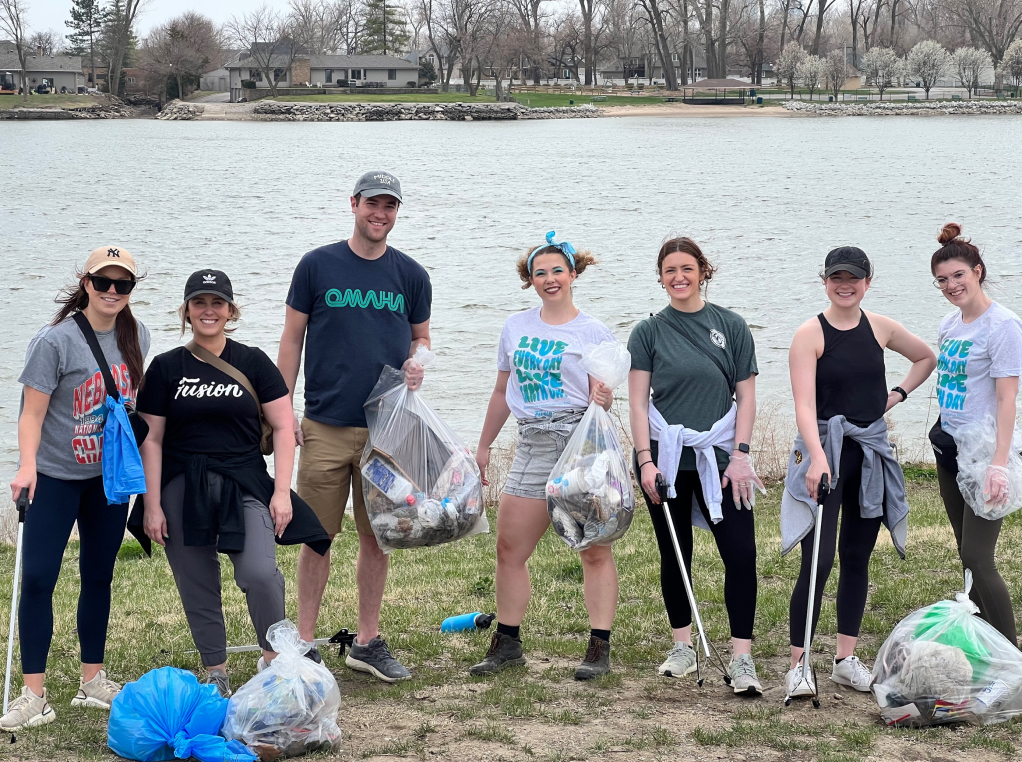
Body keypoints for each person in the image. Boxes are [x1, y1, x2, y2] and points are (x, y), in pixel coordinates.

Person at [134, 270, 330, 697]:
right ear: (186, 310)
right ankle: (216, 670)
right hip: (181, 484)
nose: (209, 311)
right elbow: (150, 438)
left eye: (217, 303)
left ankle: (274, 658)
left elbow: (282, 426)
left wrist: (281, 492)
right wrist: (151, 504)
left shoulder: (253, 361)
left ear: (230, 310)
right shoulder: (166, 367)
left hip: (244, 480)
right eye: (200, 303)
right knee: (195, 579)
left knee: (260, 572)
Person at [279, 171, 431, 683]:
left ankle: (366, 642)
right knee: (317, 535)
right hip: (323, 424)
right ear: (354, 205)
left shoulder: (411, 275)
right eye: (372, 204)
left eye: (390, 206)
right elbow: (292, 339)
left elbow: (421, 341)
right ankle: (302, 642)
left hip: (386, 431)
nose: (380, 214)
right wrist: (282, 408)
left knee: (377, 536)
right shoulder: (317, 265)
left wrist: (418, 362)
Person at [2, 247, 150, 731]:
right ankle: (33, 694)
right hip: (56, 476)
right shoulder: (55, 342)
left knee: (98, 575)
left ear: (130, 290)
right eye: (102, 282)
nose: (112, 291)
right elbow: (32, 412)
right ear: (86, 283)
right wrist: (27, 467)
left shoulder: (137, 336)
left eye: (122, 284)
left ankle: (92, 680)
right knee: (40, 577)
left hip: (106, 479)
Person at [783, 246, 936, 698]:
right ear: (825, 281)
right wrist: (818, 457)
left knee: (856, 557)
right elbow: (805, 406)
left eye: (853, 278)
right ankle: (799, 665)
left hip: (869, 453)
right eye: (836, 278)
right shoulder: (809, 334)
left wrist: (898, 395)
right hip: (827, 454)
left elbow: (925, 358)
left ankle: (845, 659)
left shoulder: (881, 327)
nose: (844, 285)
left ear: (867, 281)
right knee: (819, 559)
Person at [470, 234, 619, 680]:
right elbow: (502, 391)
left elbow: (602, 400)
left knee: (592, 548)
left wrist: (605, 396)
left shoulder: (593, 331)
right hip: (533, 442)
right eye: (540, 273)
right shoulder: (515, 327)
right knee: (509, 548)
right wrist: (483, 445)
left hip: (581, 444)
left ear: (573, 274)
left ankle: (599, 647)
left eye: (558, 271)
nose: (550, 279)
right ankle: (508, 642)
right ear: (529, 280)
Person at [628, 236, 766, 695]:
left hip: (723, 457)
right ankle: (683, 646)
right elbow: (637, 401)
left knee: (741, 556)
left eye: (687, 268)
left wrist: (742, 455)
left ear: (703, 270)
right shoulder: (648, 332)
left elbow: (746, 396)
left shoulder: (731, 325)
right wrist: (645, 461)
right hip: (665, 459)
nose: (679, 277)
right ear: (661, 276)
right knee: (675, 554)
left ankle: (742, 658)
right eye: (670, 270)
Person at [927, 223, 1022, 646]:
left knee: (978, 558)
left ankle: (1012, 658)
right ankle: (988, 646)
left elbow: (1006, 399)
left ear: (978, 271)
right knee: (966, 557)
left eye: (958, 275)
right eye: (942, 280)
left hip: (985, 455)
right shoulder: (950, 323)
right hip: (950, 449)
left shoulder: (1002, 326)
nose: (951, 285)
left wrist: (999, 464)